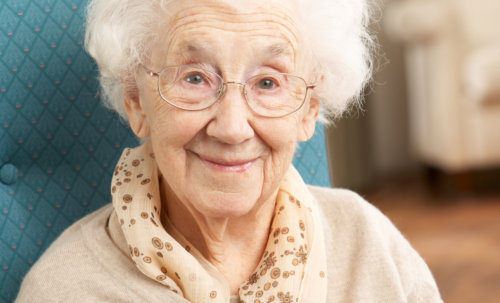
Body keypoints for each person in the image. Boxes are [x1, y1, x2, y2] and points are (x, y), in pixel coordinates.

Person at [16, 0, 443, 302]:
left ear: (309, 109)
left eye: (269, 82)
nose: (233, 127)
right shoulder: (66, 290)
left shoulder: (369, 243)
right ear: (135, 99)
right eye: (195, 78)